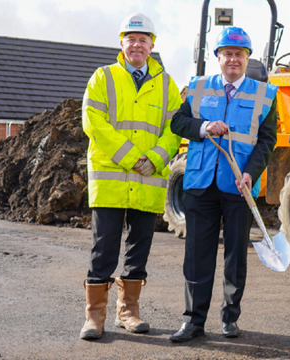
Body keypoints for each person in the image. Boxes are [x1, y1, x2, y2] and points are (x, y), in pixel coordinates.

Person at [168, 26, 278, 342]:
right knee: (197, 255)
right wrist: (203, 126)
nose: (233, 59)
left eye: (239, 54)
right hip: (201, 184)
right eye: (227, 53)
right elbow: (178, 122)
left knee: (234, 257)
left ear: (247, 58)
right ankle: (193, 321)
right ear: (217, 57)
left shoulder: (265, 94)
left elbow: (267, 142)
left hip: (239, 186)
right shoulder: (198, 87)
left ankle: (230, 318)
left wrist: (251, 174)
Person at [80, 13, 182, 340]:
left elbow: (173, 129)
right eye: (131, 39)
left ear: (152, 45)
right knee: (104, 249)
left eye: (143, 39)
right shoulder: (103, 77)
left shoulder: (167, 84)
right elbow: (93, 122)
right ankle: (95, 317)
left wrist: (154, 159)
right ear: (121, 42)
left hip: (148, 179)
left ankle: (129, 312)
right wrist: (130, 157)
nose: (137, 45)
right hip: (111, 179)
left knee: (138, 251)